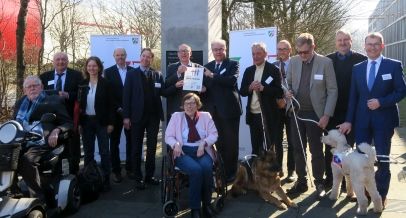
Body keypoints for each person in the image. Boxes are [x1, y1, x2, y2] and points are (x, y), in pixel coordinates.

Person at [338, 32, 406, 209]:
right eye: (369, 44)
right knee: (361, 160)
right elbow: (353, 97)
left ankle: (380, 195)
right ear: (364, 46)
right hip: (362, 122)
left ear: (382, 46)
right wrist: (348, 121)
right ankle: (365, 194)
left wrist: (381, 102)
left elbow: (401, 91)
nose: (372, 47)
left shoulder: (393, 66)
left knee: (382, 159)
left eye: (376, 44)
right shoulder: (358, 68)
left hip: (384, 120)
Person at [285, 33, 338, 199]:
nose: (302, 56)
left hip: (316, 114)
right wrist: (287, 92)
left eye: (305, 52)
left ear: (313, 47)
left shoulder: (325, 63)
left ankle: (319, 181)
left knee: (316, 149)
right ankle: (301, 181)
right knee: (298, 148)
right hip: (296, 111)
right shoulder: (293, 61)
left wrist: (326, 115)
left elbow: (332, 90)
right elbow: (287, 83)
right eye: (299, 52)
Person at [13, 75, 73, 203]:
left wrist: (57, 130)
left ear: (42, 87)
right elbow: (14, 124)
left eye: (35, 85)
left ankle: (38, 198)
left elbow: (68, 123)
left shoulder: (54, 100)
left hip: (41, 141)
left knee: (26, 160)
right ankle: (14, 192)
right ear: (24, 90)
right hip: (21, 140)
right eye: (29, 86)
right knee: (5, 157)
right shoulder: (20, 103)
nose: (32, 88)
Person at [324, 30, 367, 189]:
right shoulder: (328, 60)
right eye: (339, 40)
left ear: (351, 41)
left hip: (353, 112)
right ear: (336, 42)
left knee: (349, 148)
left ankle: (347, 183)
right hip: (332, 111)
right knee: (331, 148)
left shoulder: (361, 59)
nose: (342, 43)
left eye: (345, 39)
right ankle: (331, 178)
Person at [165, 93, 218, 218]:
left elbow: (214, 134)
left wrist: (203, 143)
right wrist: (175, 144)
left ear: (197, 105)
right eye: (187, 103)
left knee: (206, 168)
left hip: (201, 150)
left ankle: (207, 204)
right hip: (183, 151)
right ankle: (195, 208)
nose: (189, 106)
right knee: (196, 170)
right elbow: (168, 136)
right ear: (183, 106)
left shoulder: (206, 116)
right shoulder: (176, 117)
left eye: (193, 103)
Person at [123, 48, 166, 189]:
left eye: (149, 57)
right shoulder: (131, 74)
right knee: (136, 148)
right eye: (143, 56)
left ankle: (149, 176)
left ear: (151, 59)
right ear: (140, 57)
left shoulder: (157, 74)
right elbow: (126, 96)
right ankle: (137, 177)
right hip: (136, 117)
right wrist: (126, 117)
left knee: (152, 148)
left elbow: (164, 91)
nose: (145, 59)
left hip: (153, 117)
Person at [203, 39, 242, 182]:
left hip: (229, 111)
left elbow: (231, 81)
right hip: (213, 112)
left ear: (225, 49)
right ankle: (221, 170)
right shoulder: (207, 66)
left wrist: (212, 75)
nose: (218, 52)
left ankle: (232, 173)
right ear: (212, 51)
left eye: (221, 49)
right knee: (218, 142)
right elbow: (206, 87)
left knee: (231, 143)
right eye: (215, 49)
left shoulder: (233, 64)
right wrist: (202, 89)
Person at [40, 52, 83, 174]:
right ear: (53, 61)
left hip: (70, 117)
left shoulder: (77, 75)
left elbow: (81, 94)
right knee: (54, 146)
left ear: (67, 61)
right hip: (50, 118)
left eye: (63, 59)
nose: (60, 62)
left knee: (73, 147)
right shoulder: (44, 76)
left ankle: (74, 172)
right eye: (58, 59)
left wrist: (68, 94)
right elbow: (40, 95)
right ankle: (55, 172)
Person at [240, 42, 283, 156]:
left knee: (271, 146)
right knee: (256, 147)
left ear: (265, 54)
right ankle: (256, 171)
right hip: (253, 115)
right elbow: (242, 91)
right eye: (253, 54)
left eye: (258, 53)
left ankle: (274, 171)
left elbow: (279, 92)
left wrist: (264, 88)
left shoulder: (273, 70)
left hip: (268, 115)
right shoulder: (249, 70)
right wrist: (250, 87)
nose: (255, 56)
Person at [78, 56, 114, 191]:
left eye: (94, 66)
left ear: (99, 67)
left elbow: (111, 105)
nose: (91, 68)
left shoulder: (106, 83)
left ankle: (105, 180)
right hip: (86, 121)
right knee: (88, 152)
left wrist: (111, 123)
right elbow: (79, 106)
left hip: (102, 122)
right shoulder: (82, 84)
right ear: (86, 68)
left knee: (104, 152)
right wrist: (80, 124)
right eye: (89, 66)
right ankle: (89, 179)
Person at [104, 48, 135, 183]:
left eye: (122, 55)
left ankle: (129, 169)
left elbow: (136, 93)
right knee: (114, 143)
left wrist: (128, 109)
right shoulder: (108, 72)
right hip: (115, 113)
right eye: (118, 55)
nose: (120, 57)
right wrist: (118, 108)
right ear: (114, 56)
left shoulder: (133, 71)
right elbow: (108, 94)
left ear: (126, 56)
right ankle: (116, 171)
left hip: (131, 113)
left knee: (131, 142)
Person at [272, 40, 296, 182]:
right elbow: (271, 86)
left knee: (292, 140)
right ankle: (278, 169)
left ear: (290, 50)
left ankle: (292, 171)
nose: (281, 51)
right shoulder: (273, 66)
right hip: (277, 108)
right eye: (279, 49)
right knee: (277, 140)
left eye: (284, 49)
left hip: (293, 107)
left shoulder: (297, 63)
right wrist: (279, 98)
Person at [164, 43, 206, 122]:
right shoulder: (171, 67)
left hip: (193, 107)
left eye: (186, 51)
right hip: (177, 106)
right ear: (178, 54)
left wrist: (203, 89)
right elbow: (166, 84)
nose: (183, 53)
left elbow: (204, 86)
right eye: (181, 51)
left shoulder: (198, 67)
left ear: (190, 53)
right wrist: (177, 73)